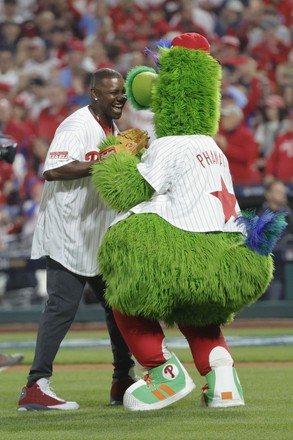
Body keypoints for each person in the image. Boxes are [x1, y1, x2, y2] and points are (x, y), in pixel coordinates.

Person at [17, 68, 135, 412]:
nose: (120, 98)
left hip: (95, 234)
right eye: (113, 92)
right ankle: (35, 386)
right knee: (61, 309)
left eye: (123, 93)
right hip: (68, 234)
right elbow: (53, 170)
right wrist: (101, 161)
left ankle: (122, 379)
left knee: (118, 309)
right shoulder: (77, 124)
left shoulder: (110, 127)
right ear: (95, 93)